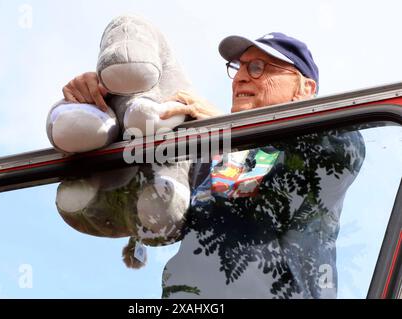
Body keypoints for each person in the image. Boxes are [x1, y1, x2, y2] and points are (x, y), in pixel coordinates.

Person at [62, 32, 365, 298]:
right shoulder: (210, 159)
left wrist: (226, 130)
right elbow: (133, 199)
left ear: (305, 89)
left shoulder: (333, 137)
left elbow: (337, 156)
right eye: (238, 67)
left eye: (258, 67)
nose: (242, 77)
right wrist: (105, 96)